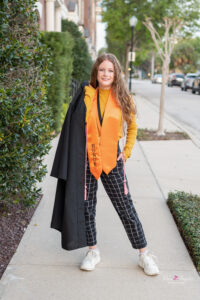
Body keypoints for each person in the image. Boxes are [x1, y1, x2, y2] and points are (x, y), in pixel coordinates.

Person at [50, 53, 159, 276]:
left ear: (116, 73)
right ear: (96, 72)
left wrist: (126, 152)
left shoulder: (123, 98)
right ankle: (93, 251)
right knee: (87, 207)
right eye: (102, 70)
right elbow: (76, 123)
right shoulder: (88, 94)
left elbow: (133, 127)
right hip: (88, 158)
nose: (106, 74)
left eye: (110, 70)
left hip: (112, 159)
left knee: (125, 208)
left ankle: (144, 254)